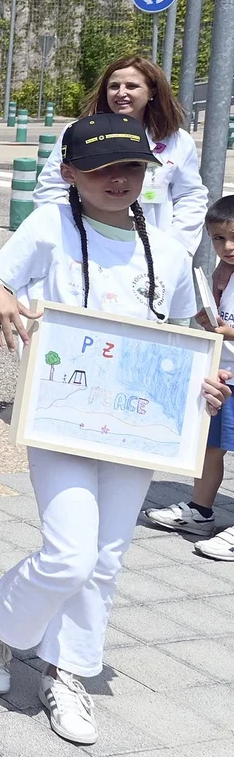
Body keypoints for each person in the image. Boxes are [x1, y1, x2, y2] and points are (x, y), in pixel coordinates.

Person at [0, 113, 230, 746]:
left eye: (132, 167)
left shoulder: (168, 251)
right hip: (60, 417)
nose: (118, 179)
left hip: (135, 428)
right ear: (69, 174)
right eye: (102, 169)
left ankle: (68, 671)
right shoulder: (49, 226)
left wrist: (205, 380)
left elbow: (182, 340)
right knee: (68, 553)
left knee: (106, 557)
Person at [32, 55, 206, 250]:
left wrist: (176, 247)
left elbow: (190, 196)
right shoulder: (78, 132)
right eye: (114, 86)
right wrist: (69, 234)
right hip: (88, 244)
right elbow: (51, 188)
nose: (121, 93)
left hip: (153, 249)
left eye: (132, 86)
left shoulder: (177, 140)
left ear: (152, 92)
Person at [152, 195, 234, 558]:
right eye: (218, 238)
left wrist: (225, 333)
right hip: (222, 373)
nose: (227, 247)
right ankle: (200, 512)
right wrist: (210, 323)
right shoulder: (220, 273)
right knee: (209, 444)